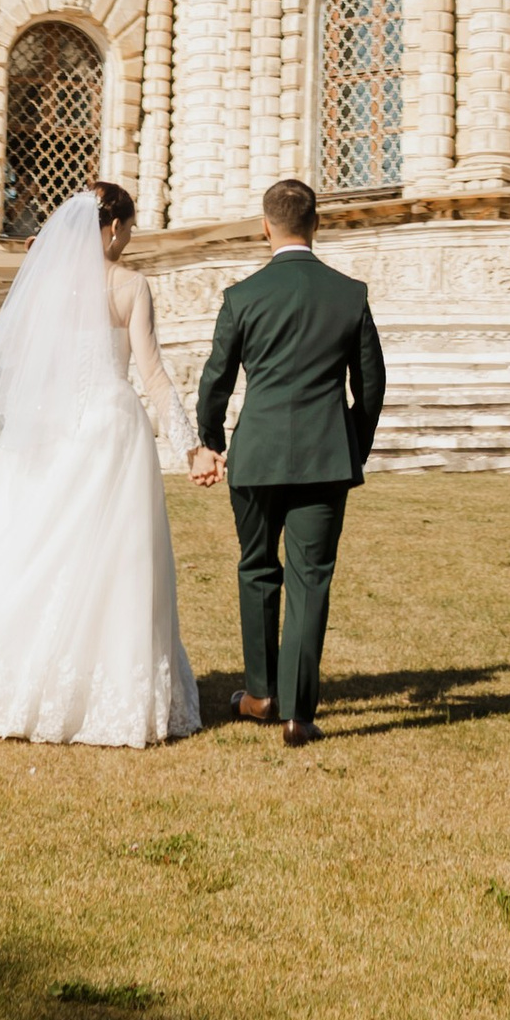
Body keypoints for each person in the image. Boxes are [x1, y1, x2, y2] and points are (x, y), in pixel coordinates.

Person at [0, 181, 208, 747]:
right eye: (130, 227)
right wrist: (188, 447)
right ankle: (106, 689)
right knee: (113, 563)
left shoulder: (47, 285)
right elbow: (153, 377)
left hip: (50, 433)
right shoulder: (130, 285)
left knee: (27, 548)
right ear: (116, 227)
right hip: (110, 431)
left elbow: (24, 365)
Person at [194, 179, 387, 748]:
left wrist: (211, 439)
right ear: (316, 224)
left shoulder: (241, 297)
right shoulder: (350, 294)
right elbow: (371, 386)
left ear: (265, 226)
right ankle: (299, 713)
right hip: (326, 457)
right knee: (312, 580)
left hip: (255, 455)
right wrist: (351, 442)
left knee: (257, 568)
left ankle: (259, 693)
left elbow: (215, 382)